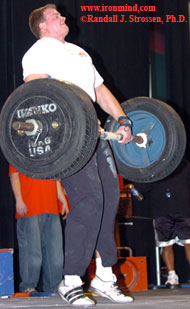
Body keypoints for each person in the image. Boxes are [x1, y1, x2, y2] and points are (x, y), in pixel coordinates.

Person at [22, 4, 134, 306]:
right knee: (89, 199)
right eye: (56, 16)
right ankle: (71, 280)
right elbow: (35, 91)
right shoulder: (39, 50)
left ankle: (105, 276)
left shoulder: (78, 52)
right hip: (69, 137)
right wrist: (71, 117)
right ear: (43, 26)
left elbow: (99, 90)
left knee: (110, 198)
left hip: (94, 134)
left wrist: (122, 119)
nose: (63, 18)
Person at [9, 164, 69, 293]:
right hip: (30, 207)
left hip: (51, 207)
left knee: (55, 253)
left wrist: (63, 200)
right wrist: (19, 200)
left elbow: (55, 180)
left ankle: (54, 287)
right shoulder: (21, 152)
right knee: (31, 250)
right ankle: (28, 286)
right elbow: (14, 175)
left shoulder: (49, 155)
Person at [133, 159, 190, 287]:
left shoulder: (184, 164)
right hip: (161, 210)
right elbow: (144, 187)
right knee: (166, 244)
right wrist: (138, 178)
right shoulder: (153, 167)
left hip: (183, 209)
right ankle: (172, 276)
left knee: (188, 243)